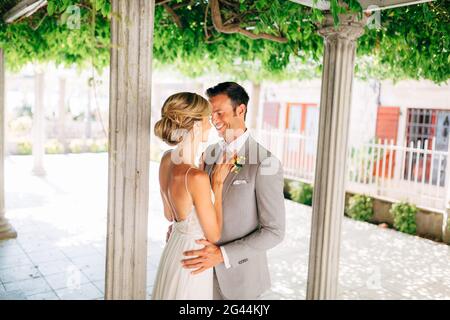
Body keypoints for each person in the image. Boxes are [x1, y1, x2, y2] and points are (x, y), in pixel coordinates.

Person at [180, 82, 286, 300]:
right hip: (201, 277)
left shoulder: (265, 163)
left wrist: (222, 255)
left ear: (241, 110)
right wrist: (183, 224)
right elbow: (201, 203)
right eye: (211, 114)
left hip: (240, 282)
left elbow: (274, 231)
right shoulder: (209, 154)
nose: (214, 120)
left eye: (219, 112)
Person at [152, 92, 233, 299]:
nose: (210, 123)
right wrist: (217, 183)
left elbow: (170, 215)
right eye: (207, 118)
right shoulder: (196, 177)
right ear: (196, 125)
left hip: (174, 250)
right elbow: (214, 235)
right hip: (194, 259)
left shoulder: (166, 160)